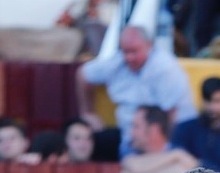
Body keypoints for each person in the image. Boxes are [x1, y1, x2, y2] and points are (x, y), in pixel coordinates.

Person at [75, 24, 197, 157]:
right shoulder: (117, 62)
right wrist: (87, 112)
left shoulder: (166, 69)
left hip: (168, 139)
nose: (129, 57)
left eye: (134, 51)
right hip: (128, 139)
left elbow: (171, 117)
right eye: (125, 51)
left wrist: (161, 153)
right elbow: (83, 75)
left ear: (149, 46)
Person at [170, 76, 220, 173]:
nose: (212, 107)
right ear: (201, 100)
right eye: (208, 101)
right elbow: (174, 165)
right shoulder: (183, 130)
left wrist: (199, 165)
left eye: (217, 101)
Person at [121, 104, 198, 173]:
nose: (131, 133)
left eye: (136, 126)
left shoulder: (188, 151)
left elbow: (188, 171)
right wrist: (175, 155)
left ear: (153, 130)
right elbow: (132, 165)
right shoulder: (130, 151)